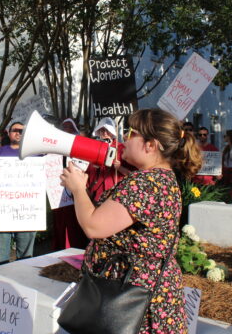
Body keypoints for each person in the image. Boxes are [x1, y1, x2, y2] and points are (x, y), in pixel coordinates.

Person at [60, 108, 202, 333]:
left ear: (150, 145)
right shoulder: (159, 179)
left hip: (134, 300)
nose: (124, 139)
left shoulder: (146, 183)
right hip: (142, 293)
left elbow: (93, 226)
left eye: (131, 133)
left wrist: (78, 189)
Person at [0, 121, 38, 266]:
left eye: (21, 131)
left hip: (27, 207)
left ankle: (24, 274)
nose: (18, 133)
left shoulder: (34, 153)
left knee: (26, 254)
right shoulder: (0, 152)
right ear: (9, 133)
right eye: (15, 130)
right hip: (5, 206)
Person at [52, 118, 88, 250]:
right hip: (59, 192)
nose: (66, 130)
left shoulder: (81, 147)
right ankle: (61, 247)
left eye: (69, 127)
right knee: (61, 222)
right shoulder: (55, 147)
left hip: (76, 190)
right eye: (64, 127)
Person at [86, 117, 132, 202]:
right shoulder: (94, 147)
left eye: (107, 130)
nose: (105, 133)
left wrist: (119, 168)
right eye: (102, 130)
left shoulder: (122, 148)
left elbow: (132, 174)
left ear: (112, 132)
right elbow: (89, 172)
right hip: (96, 193)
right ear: (98, 131)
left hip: (115, 193)